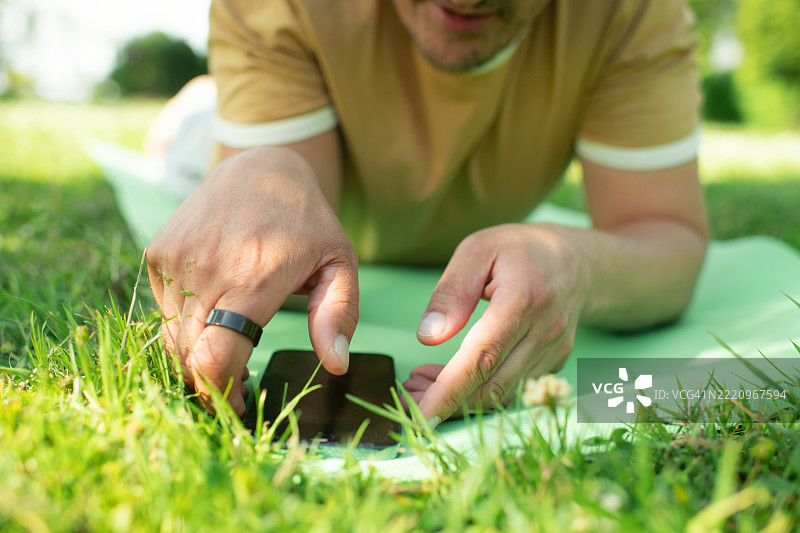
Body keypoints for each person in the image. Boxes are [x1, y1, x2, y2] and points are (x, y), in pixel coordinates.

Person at [146, 0, 709, 426]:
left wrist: (580, 262)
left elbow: (667, 237)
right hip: (216, 136)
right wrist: (270, 170)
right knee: (189, 149)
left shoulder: (632, 14)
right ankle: (201, 107)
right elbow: (284, 259)